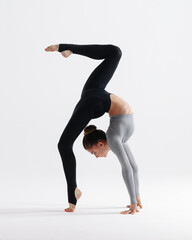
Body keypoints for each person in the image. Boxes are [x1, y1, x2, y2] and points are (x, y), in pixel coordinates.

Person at [45, 43, 143, 214]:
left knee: (115, 52)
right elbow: (129, 166)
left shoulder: (114, 139)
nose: (97, 156)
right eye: (93, 154)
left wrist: (135, 199)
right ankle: (73, 192)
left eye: (93, 153)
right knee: (64, 145)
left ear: (100, 144)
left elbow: (130, 167)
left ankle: (66, 48)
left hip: (94, 97)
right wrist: (133, 199)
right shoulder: (114, 138)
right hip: (94, 98)